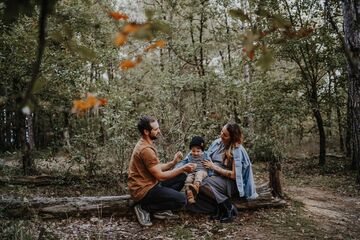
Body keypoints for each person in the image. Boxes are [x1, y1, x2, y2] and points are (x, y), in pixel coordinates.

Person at [127, 116, 196, 227]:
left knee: (182, 177)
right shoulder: (146, 150)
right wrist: (182, 168)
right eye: (155, 129)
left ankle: (160, 208)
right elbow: (161, 176)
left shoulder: (146, 143)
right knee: (182, 200)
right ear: (146, 131)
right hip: (143, 190)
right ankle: (144, 208)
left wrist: (173, 163)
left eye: (158, 128)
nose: (159, 131)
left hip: (151, 183)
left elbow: (155, 167)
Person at [186, 123, 258, 223]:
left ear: (232, 137)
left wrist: (214, 167)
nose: (221, 135)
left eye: (225, 135)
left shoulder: (237, 150)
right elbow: (204, 156)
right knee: (195, 179)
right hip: (215, 176)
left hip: (230, 182)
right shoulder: (217, 143)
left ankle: (228, 207)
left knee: (201, 182)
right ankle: (219, 209)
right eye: (221, 132)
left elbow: (234, 176)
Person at [181, 136, 211, 204]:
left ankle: (196, 187)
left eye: (198, 151)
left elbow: (210, 164)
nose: (196, 153)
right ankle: (190, 195)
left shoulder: (205, 155)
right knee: (188, 179)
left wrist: (210, 171)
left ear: (202, 150)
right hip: (192, 172)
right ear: (191, 150)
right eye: (193, 151)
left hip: (203, 172)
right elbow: (184, 163)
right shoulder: (189, 156)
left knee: (199, 174)